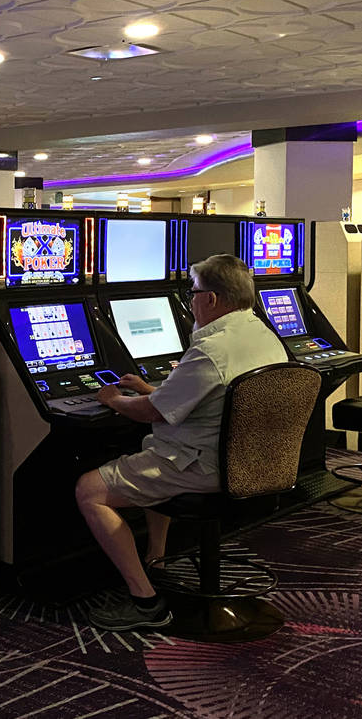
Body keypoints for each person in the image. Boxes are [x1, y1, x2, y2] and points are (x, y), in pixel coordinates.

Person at [75, 254, 287, 631]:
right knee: (150, 450)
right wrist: (153, 390)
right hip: (255, 463)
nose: (190, 300)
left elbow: (151, 414)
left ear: (212, 300)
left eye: (194, 292)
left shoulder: (211, 348)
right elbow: (208, 398)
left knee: (89, 489)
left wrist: (114, 400)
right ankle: (157, 559)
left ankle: (145, 601)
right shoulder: (263, 335)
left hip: (204, 468)